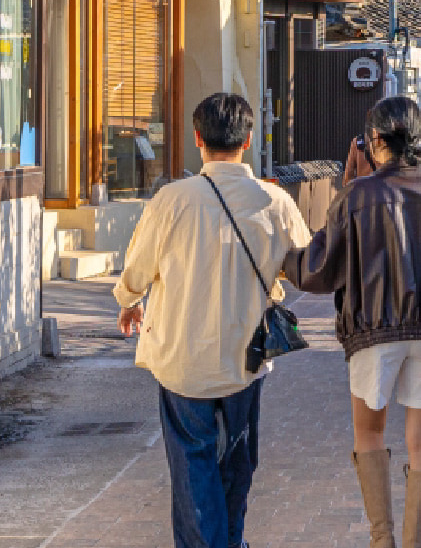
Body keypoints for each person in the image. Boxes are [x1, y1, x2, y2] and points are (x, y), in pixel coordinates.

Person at [114, 93, 313, 548]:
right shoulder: (274, 200)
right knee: (237, 461)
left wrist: (128, 299)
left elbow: (137, 270)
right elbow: (302, 265)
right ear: (246, 142)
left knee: (192, 463)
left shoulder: (171, 199)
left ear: (197, 138)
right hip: (246, 357)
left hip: (181, 358)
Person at [286, 96, 421, 548]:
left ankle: (381, 539)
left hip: (372, 330)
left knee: (368, 432)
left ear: (373, 140)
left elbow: (318, 267)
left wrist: (285, 260)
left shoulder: (358, 195)